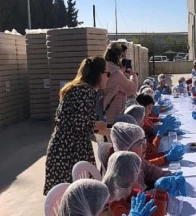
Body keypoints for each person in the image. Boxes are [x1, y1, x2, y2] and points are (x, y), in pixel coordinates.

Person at [44, 57, 110, 195]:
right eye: (107, 74)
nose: (108, 78)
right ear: (99, 75)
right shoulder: (85, 92)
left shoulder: (78, 88)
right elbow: (80, 124)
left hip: (63, 148)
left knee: (71, 196)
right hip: (69, 152)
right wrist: (99, 124)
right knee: (76, 197)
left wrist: (108, 130)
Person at [110, 122, 186, 192]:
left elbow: (150, 170)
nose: (145, 146)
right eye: (140, 143)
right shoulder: (125, 173)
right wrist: (159, 191)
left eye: (144, 141)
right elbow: (141, 197)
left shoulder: (137, 160)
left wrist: (167, 175)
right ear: (127, 148)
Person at [103, 151, 167, 216]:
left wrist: (163, 189)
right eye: (135, 178)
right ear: (126, 182)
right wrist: (161, 192)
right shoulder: (114, 208)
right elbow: (158, 213)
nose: (139, 183)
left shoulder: (128, 193)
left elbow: (151, 200)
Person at [103, 43, 139, 124]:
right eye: (122, 56)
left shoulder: (104, 68)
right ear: (118, 56)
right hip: (113, 116)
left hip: (104, 113)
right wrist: (133, 75)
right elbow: (132, 89)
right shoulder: (116, 73)